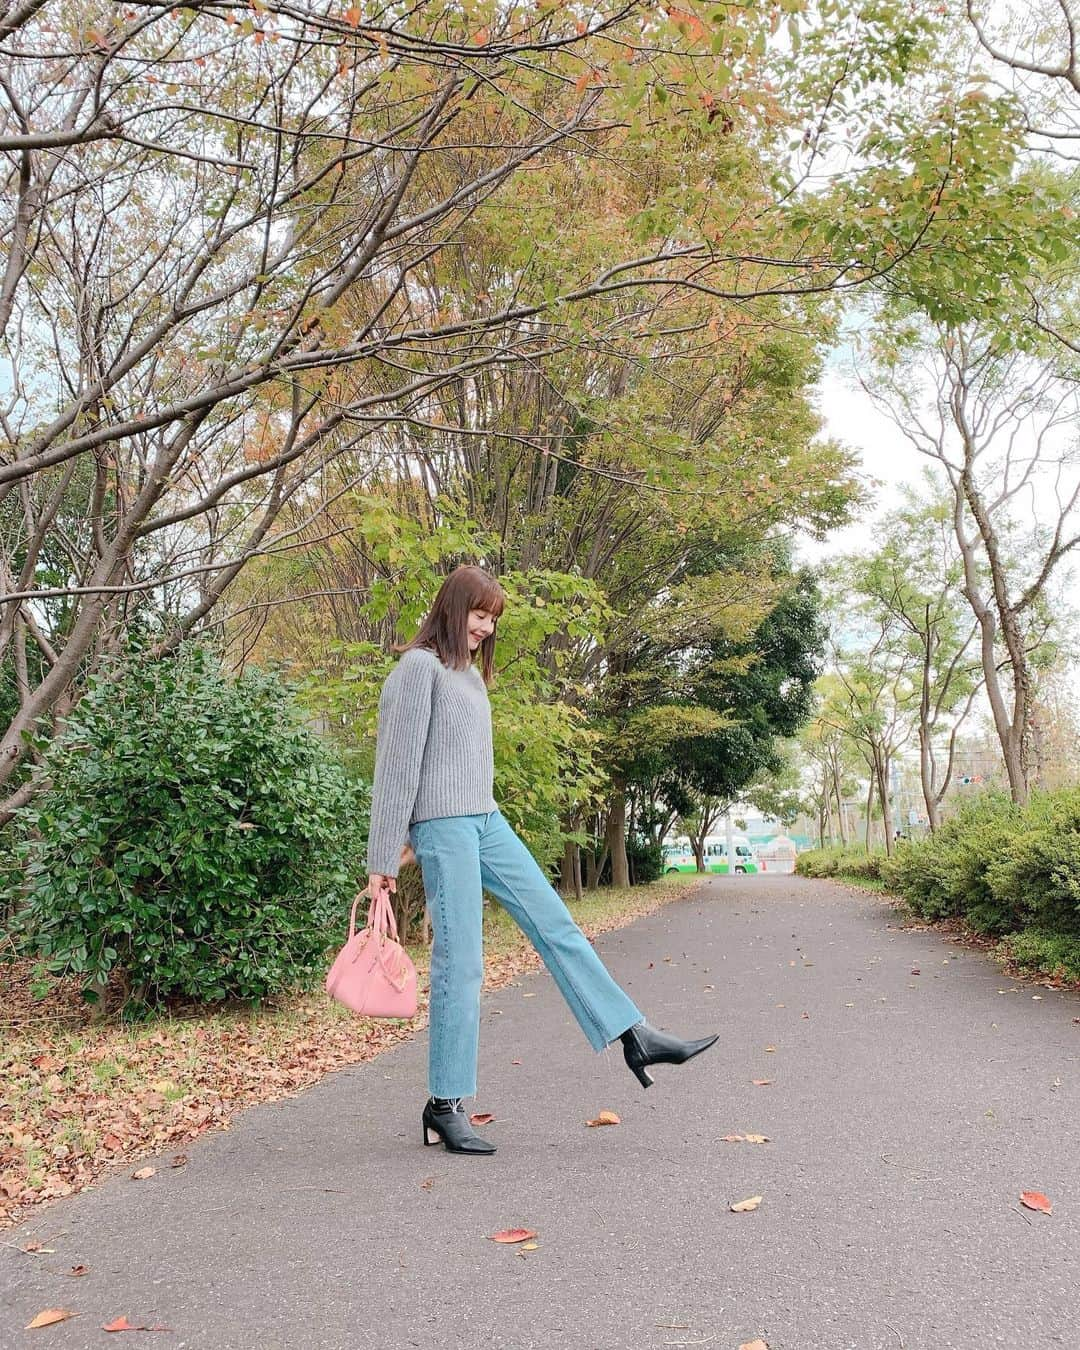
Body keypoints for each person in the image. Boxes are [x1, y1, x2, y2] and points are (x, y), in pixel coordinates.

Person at [365, 564, 717, 1155]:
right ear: (454, 608)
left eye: (492, 619)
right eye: (480, 615)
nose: (485, 627)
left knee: (556, 923)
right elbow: (398, 766)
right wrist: (386, 853)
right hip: (444, 829)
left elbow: (464, 764)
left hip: (485, 819)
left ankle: (635, 1034)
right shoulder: (416, 670)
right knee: (463, 962)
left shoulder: (469, 676)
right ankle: (444, 1103)